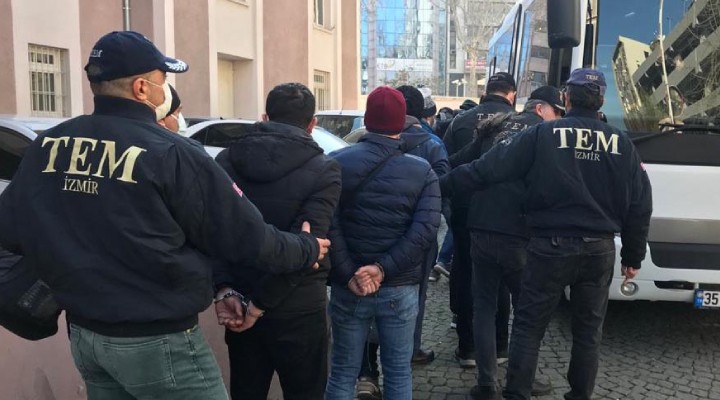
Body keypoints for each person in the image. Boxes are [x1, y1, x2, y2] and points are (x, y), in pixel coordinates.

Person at [0, 31, 329, 400]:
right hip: (158, 341)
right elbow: (248, 238)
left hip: (86, 336)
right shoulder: (172, 153)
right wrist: (307, 247)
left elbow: (10, 230)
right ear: (142, 88)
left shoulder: (50, 145)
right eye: (163, 80)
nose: (166, 90)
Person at [441, 69, 652, 400]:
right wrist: (633, 256)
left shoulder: (544, 134)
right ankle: (579, 395)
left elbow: (488, 168)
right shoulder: (622, 144)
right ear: (601, 100)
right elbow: (640, 202)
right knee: (588, 331)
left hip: (549, 246)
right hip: (599, 249)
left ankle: (517, 393)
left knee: (529, 326)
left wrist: (437, 185)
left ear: (566, 98)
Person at [213, 82, 342, 400]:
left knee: (247, 391)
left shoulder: (226, 161)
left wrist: (226, 288)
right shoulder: (324, 169)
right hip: (298, 306)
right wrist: (258, 305)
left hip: (240, 297)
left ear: (265, 117)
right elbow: (309, 247)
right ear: (312, 125)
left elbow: (214, 234)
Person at [448, 86, 565, 399]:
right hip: (520, 234)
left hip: (481, 226)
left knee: (484, 307)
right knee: (528, 313)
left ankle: (486, 384)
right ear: (541, 109)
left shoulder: (496, 126)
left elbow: (458, 161)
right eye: (557, 112)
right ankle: (522, 380)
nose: (559, 119)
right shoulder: (545, 135)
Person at [325, 86, 441, 400]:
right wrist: (382, 269)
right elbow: (424, 231)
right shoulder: (422, 171)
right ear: (402, 122)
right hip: (399, 285)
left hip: (348, 284)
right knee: (399, 372)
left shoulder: (335, 163)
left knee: (342, 372)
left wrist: (349, 272)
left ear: (366, 119)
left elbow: (328, 224)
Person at [444, 72, 517, 368]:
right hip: (505, 214)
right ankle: (500, 346)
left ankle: (468, 348)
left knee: (464, 274)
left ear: (487, 91)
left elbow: (446, 164)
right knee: (500, 282)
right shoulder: (520, 123)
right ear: (512, 94)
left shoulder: (460, 122)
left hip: (465, 210)